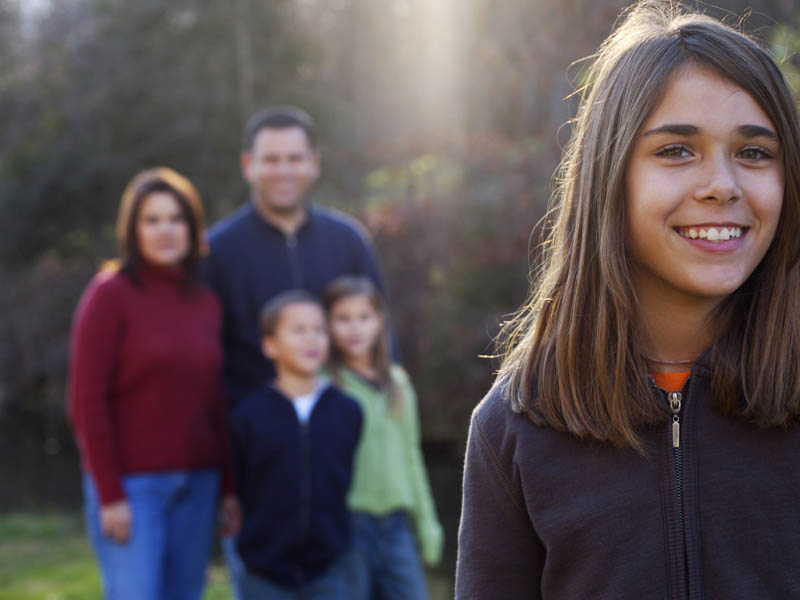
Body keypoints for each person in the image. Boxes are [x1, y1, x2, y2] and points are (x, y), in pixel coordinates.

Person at [456, 2, 800, 598]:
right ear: (609, 176)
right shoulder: (513, 426)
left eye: (754, 152)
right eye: (676, 150)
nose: (722, 185)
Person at [68, 167, 241, 600]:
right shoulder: (110, 295)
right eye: (152, 220)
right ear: (133, 229)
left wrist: (228, 489)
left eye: (176, 219)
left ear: (193, 227)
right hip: (132, 489)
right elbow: (87, 400)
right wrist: (110, 494)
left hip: (199, 486)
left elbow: (215, 400)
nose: (165, 230)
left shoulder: (206, 302)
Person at [205, 105, 391, 403]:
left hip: (349, 428)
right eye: (271, 160)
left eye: (295, 159)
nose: (284, 171)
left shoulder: (349, 241)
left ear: (314, 163)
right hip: (253, 435)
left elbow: (382, 336)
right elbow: (205, 353)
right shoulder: (216, 250)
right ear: (247, 165)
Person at [224, 290, 363, 600]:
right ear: (270, 345)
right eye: (298, 330)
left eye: (318, 330)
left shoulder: (347, 411)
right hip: (263, 572)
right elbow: (239, 487)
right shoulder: (248, 416)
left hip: (330, 569)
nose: (311, 339)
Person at [322, 276, 444, 600]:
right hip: (347, 527)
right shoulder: (325, 384)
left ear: (379, 321)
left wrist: (427, 522)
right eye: (343, 319)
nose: (354, 328)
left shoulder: (398, 383)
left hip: (396, 528)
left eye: (363, 317)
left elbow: (411, 457)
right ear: (328, 324)